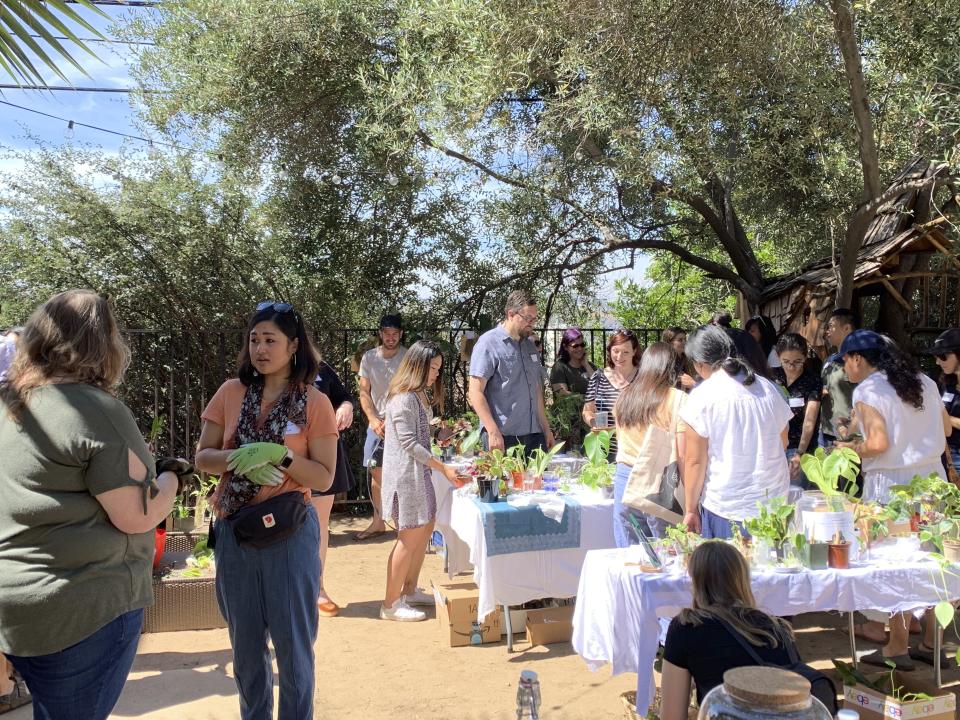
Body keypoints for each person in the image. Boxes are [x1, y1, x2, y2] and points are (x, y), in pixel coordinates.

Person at [0, 290, 181, 720]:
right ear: (105, 343)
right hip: (81, 609)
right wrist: (172, 478)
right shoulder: (97, 409)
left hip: (13, 606)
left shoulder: (9, 405)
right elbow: (137, 516)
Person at [196, 301, 338, 720]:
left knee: (294, 650)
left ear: (293, 346)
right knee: (245, 650)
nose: (260, 348)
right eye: (254, 339)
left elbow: (325, 477)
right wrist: (241, 459)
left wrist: (281, 456)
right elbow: (203, 456)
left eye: (270, 340)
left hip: (290, 537)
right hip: (235, 532)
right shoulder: (230, 393)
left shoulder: (315, 403)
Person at [837, 329, 950, 670]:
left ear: (858, 358)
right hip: (933, 479)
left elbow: (878, 444)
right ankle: (933, 643)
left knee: (895, 561)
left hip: (892, 483)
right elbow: (945, 429)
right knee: (931, 561)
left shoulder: (869, 389)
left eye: (845, 360)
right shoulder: (924, 381)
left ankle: (897, 646)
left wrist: (848, 447)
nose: (844, 367)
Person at [660, 542, 801, 719]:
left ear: (697, 581)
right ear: (741, 579)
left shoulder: (686, 628)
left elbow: (671, 715)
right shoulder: (776, 628)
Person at [680, 325, 791, 538]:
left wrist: (691, 509)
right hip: (773, 505)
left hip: (726, 507)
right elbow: (783, 441)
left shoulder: (702, 396)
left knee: (729, 572)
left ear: (700, 364)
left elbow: (694, 460)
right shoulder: (768, 388)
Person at [380, 341, 461, 621]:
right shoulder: (403, 398)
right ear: (418, 366)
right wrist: (443, 468)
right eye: (433, 368)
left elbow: (420, 437)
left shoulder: (416, 397)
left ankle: (410, 590)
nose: (436, 374)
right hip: (407, 478)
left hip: (419, 475)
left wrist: (443, 435)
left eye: (439, 368)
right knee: (408, 538)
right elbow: (409, 443)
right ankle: (390, 604)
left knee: (424, 530)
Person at [613, 342, 687, 544]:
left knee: (629, 555)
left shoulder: (625, 396)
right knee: (666, 554)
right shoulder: (677, 398)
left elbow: (620, 441)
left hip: (624, 477)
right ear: (672, 368)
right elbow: (682, 452)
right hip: (659, 480)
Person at [468, 290, 554, 457]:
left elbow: (536, 390)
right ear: (511, 314)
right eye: (528, 318)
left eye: (534, 319)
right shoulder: (488, 343)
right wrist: (492, 431)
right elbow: (475, 392)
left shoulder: (530, 346)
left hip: (535, 437)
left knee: (536, 484)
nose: (532, 323)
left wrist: (546, 428)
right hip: (503, 437)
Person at [356, 313, 408, 541]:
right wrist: (373, 419)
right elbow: (363, 392)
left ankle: (403, 522)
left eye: (395, 333)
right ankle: (378, 522)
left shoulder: (408, 357)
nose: (390, 337)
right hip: (377, 425)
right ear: (380, 333)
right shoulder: (368, 358)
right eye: (387, 333)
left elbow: (414, 390)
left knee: (403, 475)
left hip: (402, 424)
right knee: (376, 474)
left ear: (401, 334)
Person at [311, 358, 356, 617]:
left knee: (318, 524)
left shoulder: (320, 367)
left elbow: (344, 397)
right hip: (282, 456)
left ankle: (318, 589)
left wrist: (346, 408)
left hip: (322, 453)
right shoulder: (268, 365)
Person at [772, 333, 821, 486]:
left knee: (796, 494)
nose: (792, 367)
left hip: (799, 446)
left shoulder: (812, 380)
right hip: (773, 446)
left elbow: (810, 420)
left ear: (805, 357)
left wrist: (800, 453)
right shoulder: (771, 377)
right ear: (778, 357)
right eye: (786, 362)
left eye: (798, 362)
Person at [583, 329, 641, 459]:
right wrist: (593, 423)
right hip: (604, 451)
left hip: (634, 452)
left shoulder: (643, 378)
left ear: (634, 351)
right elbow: (587, 411)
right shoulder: (598, 377)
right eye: (616, 351)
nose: (619, 357)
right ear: (610, 350)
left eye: (625, 352)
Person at [820, 308, 859, 447]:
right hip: (827, 431)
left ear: (847, 328)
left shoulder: (859, 360)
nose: (827, 331)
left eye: (831, 326)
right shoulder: (830, 360)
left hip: (849, 434)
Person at [925, 328, 960, 476]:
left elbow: (939, 414)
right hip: (943, 455)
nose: (938, 362)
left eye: (942, 356)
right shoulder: (945, 383)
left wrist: (945, 418)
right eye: (936, 356)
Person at [550, 327, 595, 397]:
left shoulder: (590, 366)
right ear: (565, 347)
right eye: (575, 346)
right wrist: (586, 398)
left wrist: (586, 365)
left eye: (582, 345)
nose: (580, 348)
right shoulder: (559, 367)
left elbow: (600, 389)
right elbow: (561, 394)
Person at [661, 327, 695, 391]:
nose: (684, 342)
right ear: (669, 342)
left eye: (685, 339)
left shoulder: (688, 359)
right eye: (680, 340)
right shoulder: (664, 361)